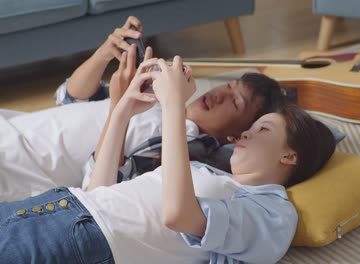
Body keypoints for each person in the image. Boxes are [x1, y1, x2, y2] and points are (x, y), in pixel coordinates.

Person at [0, 56, 336, 263]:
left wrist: (175, 104)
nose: (245, 135)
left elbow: (178, 215)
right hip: (59, 206)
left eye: (262, 128)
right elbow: (97, 192)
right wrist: (123, 112)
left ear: (289, 155)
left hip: (81, 241)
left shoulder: (274, 213)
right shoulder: (207, 172)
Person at [0, 16, 283, 201]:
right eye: (229, 86)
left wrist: (118, 107)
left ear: (236, 134)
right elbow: (70, 98)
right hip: (12, 126)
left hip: (18, 168)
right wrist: (104, 53)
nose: (220, 93)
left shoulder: (182, 146)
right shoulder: (156, 97)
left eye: (236, 102)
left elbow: (100, 190)